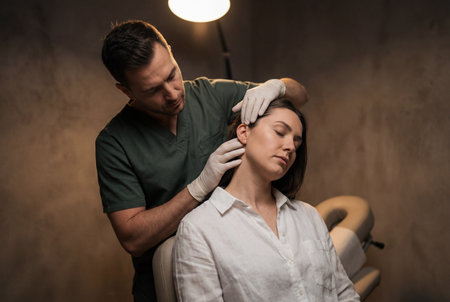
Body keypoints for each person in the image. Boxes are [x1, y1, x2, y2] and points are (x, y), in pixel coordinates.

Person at [95, 20, 309, 301]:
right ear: (126, 90)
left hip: (239, 263)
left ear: (170, 53)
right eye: (152, 90)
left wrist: (276, 87)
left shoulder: (211, 95)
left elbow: (300, 95)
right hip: (166, 280)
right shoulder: (115, 143)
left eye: (172, 74)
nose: (172, 93)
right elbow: (133, 239)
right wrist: (199, 188)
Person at [173, 99, 360, 301]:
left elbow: (344, 293)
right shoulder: (199, 229)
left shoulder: (309, 215)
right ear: (244, 133)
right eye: (280, 132)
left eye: (297, 143)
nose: (290, 147)